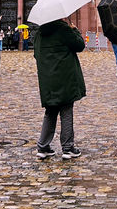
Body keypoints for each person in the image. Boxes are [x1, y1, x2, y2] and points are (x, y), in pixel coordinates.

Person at [33, 17, 86, 160]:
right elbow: (80, 45)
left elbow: (36, 54)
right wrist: (75, 30)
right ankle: (68, 148)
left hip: (48, 79)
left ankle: (43, 147)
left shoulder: (39, 33)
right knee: (66, 109)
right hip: (65, 76)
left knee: (50, 111)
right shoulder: (63, 29)